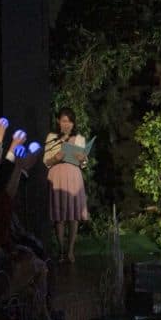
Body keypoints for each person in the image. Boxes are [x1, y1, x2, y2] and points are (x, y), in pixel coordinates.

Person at [43, 109, 91, 262]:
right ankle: (61, 250)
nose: (67, 124)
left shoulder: (79, 138)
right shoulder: (52, 138)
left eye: (70, 121)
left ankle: (70, 251)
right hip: (57, 176)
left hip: (73, 176)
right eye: (64, 121)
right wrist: (55, 158)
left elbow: (84, 163)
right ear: (58, 121)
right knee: (59, 216)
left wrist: (82, 158)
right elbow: (46, 161)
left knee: (73, 215)